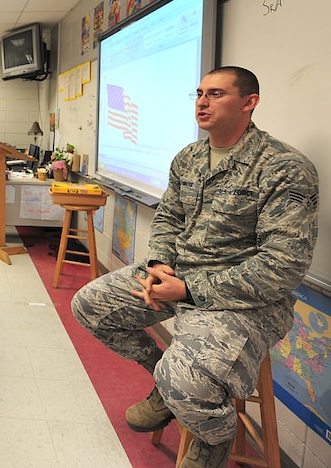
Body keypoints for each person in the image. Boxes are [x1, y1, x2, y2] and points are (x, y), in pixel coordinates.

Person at [70, 67, 319, 468]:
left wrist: (188, 289)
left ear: (249, 102)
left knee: (185, 377)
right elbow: (168, 217)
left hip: (244, 303)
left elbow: (283, 266)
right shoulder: (189, 157)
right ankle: (164, 386)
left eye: (216, 94)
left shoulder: (285, 168)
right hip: (178, 277)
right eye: (199, 93)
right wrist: (159, 264)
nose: (202, 102)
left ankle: (214, 438)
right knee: (90, 305)